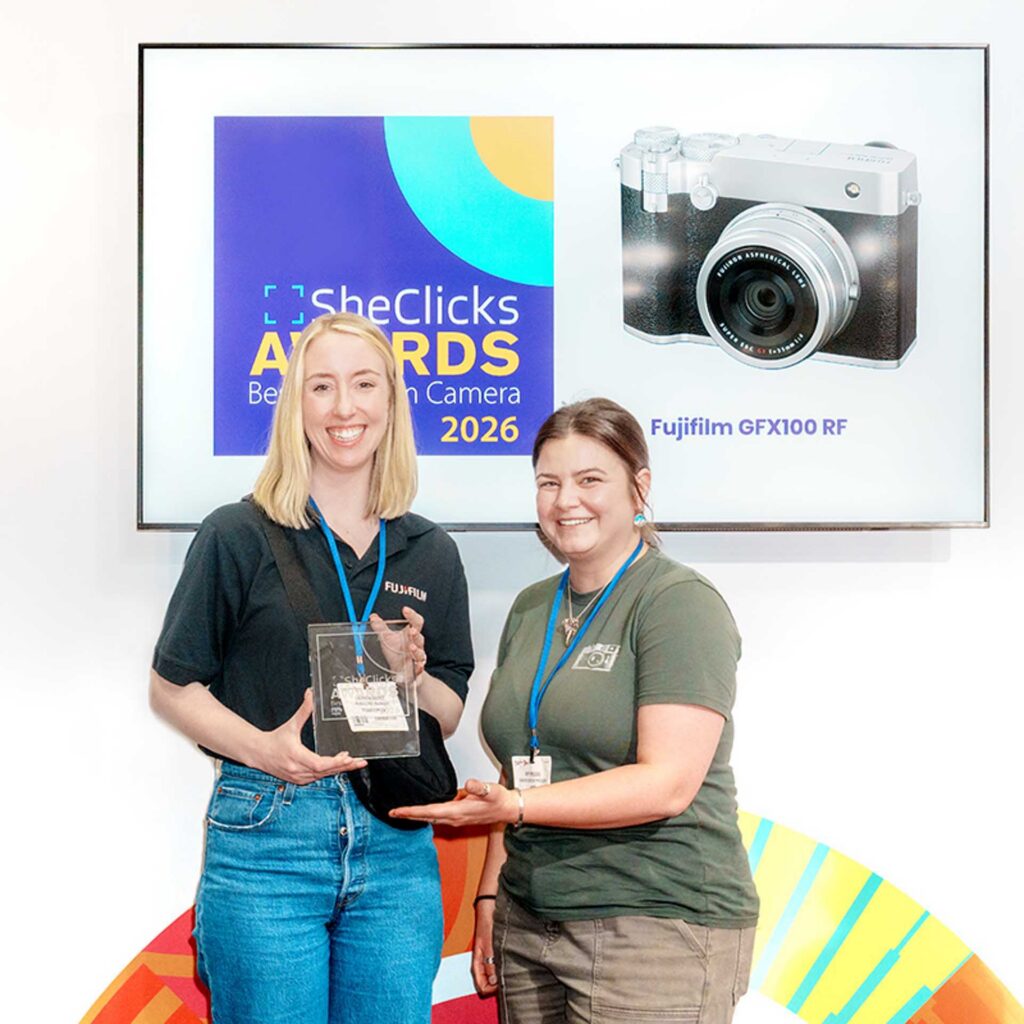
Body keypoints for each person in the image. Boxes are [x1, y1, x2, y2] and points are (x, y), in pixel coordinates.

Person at [150, 311, 473, 1024]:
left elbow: (450, 701)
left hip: (394, 842)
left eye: (363, 385)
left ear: (391, 402)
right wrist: (266, 751)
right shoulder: (236, 534)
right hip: (268, 833)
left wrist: (415, 680)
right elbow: (172, 686)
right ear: (296, 405)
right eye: (321, 387)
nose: (344, 408)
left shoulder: (430, 550)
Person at [391, 397, 758, 1024]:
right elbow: (522, 765)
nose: (567, 501)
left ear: (639, 488)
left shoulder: (678, 603)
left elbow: (667, 783)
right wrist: (489, 893)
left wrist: (519, 806)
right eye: (549, 482)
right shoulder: (534, 607)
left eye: (591, 480)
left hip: (654, 926)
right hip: (529, 922)